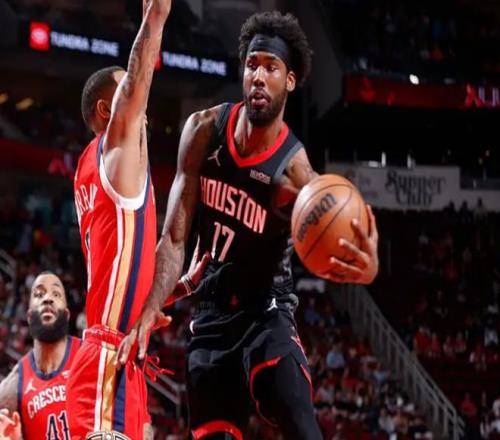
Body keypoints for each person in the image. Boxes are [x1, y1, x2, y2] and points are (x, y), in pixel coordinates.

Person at [118, 10, 379, 439]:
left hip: (265, 314)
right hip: (210, 315)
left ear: (289, 81)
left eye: (271, 68)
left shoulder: (296, 176)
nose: (258, 76)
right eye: (252, 65)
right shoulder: (203, 131)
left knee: (301, 423)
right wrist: (150, 308)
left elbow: (342, 244)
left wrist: (366, 270)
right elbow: (175, 238)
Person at [67, 0, 207, 438]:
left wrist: (173, 289)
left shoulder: (103, 172)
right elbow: (138, 77)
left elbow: (121, 263)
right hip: (106, 362)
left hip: (121, 358)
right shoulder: (112, 150)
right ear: (106, 111)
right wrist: (155, 19)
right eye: (127, 91)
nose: (142, 101)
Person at [0, 272, 80, 440]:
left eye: (56, 294)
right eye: (39, 294)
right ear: (29, 316)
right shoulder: (16, 382)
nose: (47, 299)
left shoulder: (89, 355)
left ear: (67, 315)